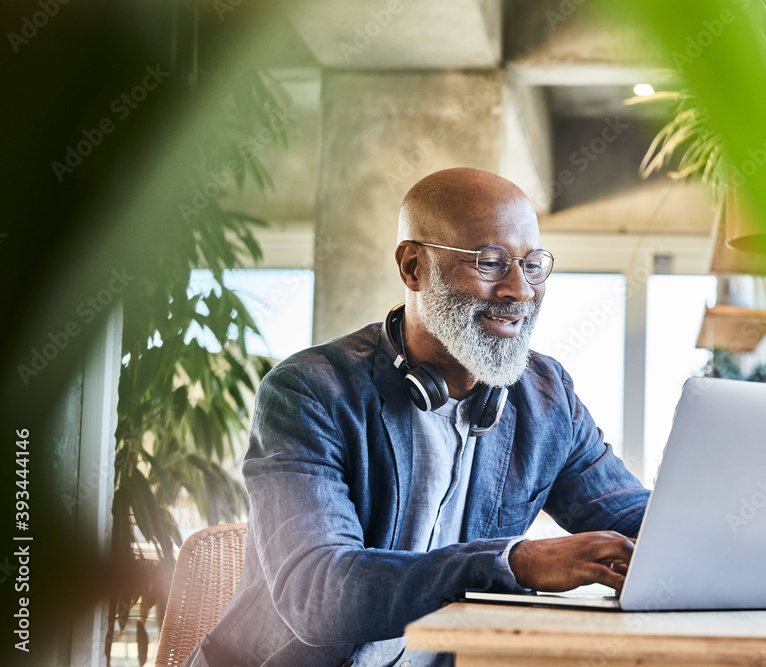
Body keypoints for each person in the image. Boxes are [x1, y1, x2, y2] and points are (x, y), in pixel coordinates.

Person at [183, 167, 649, 667]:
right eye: (490, 263)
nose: (521, 289)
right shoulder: (310, 391)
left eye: (533, 265)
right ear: (413, 268)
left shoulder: (547, 398)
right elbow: (316, 594)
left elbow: (639, 522)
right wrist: (514, 562)